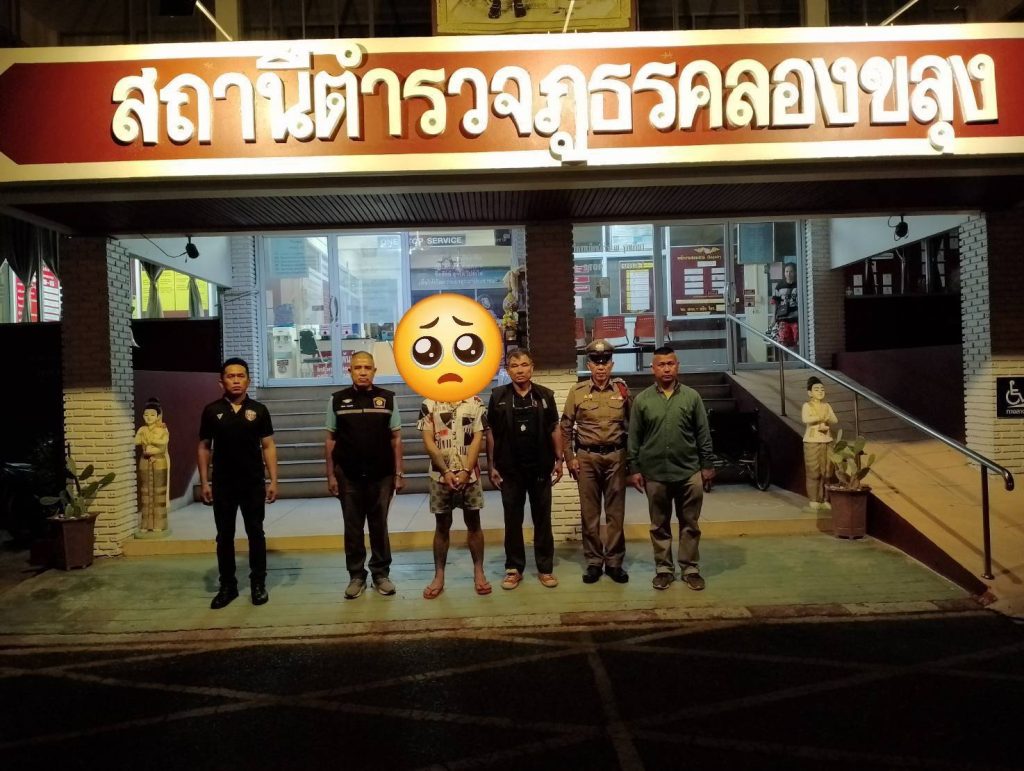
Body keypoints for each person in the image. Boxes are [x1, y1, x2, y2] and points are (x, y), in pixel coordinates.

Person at [627, 347, 715, 591]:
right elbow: (634, 437)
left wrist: (707, 465)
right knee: (659, 525)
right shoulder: (642, 400)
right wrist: (634, 468)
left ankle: (690, 568)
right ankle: (664, 569)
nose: (666, 368)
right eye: (661, 364)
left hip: (689, 472)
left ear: (677, 366)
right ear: (653, 368)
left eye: (670, 364)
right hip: (655, 473)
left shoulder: (692, 397)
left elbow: (703, 433)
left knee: (690, 523)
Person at [198, 358, 278, 609]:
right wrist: (204, 481)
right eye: (230, 376)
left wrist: (273, 480)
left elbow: (268, 446)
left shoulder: (259, 410)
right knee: (224, 536)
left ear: (248, 380)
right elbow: (204, 447)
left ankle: (258, 584)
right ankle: (228, 586)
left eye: (240, 376)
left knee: (256, 533)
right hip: (223, 484)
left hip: (253, 483)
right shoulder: (212, 411)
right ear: (221, 382)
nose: (235, 380)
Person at [325, 351, 404, 600]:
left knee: (379, 526)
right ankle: (356, 576)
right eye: (357, 368)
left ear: (374, 371)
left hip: (382, 475)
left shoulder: (387, 399)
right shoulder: (337, 400)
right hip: (348, 475)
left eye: (367, 368)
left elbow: (396, 438)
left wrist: (398, 472)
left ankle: (381, 574)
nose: (362, 372)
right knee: (353, 528)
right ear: (350, 370)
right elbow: (330, 440)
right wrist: (330, 475)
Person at [486, 348, 563, 589]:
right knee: (512, 520)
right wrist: (491, 465)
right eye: (514, 366)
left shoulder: (545, 395)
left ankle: (545, 568)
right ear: (507, 370)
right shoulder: (498, 396)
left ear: (532, 367)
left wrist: (559, 459)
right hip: (509, 469)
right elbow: (491, 432)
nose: (520, 370)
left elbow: (555, 427)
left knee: (543, 520)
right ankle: (513, 569)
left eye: (524, 365)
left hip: (540, 468)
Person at [560, 339, 631, 584]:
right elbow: (566, 426)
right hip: (587, 459)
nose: (601, 367)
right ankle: (593, 562)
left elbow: (631, 425)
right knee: (589, 514)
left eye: (605, 362)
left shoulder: (622, 390)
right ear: (589, 365)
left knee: (615, 514)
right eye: (596, 362)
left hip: (615, 457)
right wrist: (570, 458)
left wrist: (631, 460)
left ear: (611, 364)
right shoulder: (577, 391)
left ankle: (614, 562)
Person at [418, 395, 490, 599]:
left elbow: (478, 438)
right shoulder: (429, 403)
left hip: (471, 475)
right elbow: (428, 440)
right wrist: (445, 471)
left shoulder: (476, 402)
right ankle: (439, 576)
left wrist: (466, 470)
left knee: (474, 523)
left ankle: (479, 572)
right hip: (439, 475)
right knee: (442, 525)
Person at [802, 376, 839, 510]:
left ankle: (825, 499)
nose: (820, 391)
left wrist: (826, 417)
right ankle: (814, 499)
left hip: (827, 440)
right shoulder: (807, 406)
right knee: (814, 472)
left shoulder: (826, 406)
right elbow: (806, 419)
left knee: (827, 472)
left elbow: (835, 420)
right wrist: (819, 417)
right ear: (810, 392)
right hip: (812, 441)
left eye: (822, 389)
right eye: (816, 389)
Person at [136, 396, 170, 533]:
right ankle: (145, 524)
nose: (149, 417)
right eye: (146, 414)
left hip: (159, 461)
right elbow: (136, 441)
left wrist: (151, 440)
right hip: (145, 461)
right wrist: (146, 439)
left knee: (159, 492)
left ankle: (159, 523)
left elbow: (163, 443)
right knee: (145, 492)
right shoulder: (142, 429)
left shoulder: (162, 429)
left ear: (158, 416)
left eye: (152, 414)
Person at [771, 261, 799, 349]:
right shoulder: (780, 286)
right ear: (784, 273)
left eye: (791, 271)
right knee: (783, 342)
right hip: (783, 318)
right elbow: (775, 302)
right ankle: (786, 357)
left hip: (796, 318)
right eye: (786, 271)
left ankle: (796, 356)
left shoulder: (799, 284)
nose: (788, 274)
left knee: (796, 341)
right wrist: (773, 317)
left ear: (795, 272)